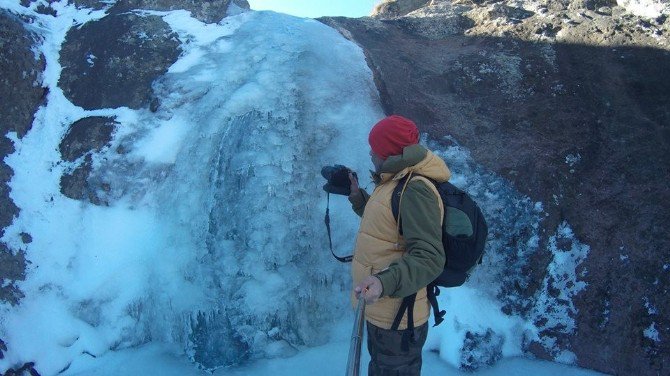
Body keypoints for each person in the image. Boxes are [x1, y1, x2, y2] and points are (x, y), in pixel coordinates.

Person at [347, 115, 450, 375]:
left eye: (376, 148)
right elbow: (391, 228)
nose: (371, 152)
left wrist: (383, 283)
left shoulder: (415, 188)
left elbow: (429, 257)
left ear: (391, 151)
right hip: (383, 309)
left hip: (398, 317)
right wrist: (359, 199)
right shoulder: (395, 181)